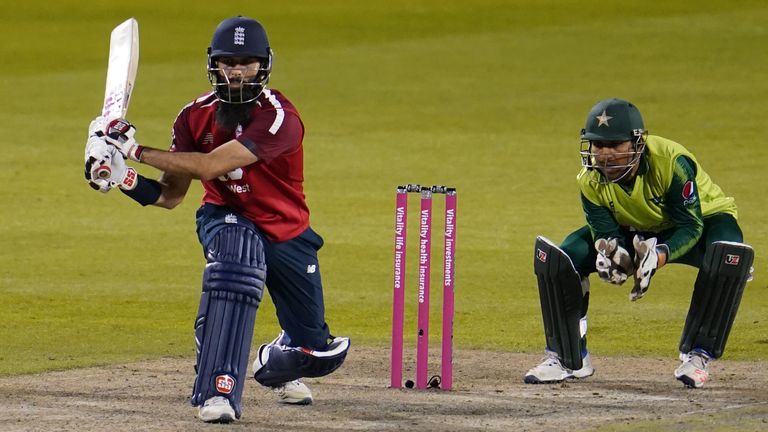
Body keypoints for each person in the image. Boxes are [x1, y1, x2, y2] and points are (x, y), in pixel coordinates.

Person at [83, 16, 350, 423]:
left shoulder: (279, 117)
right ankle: (217, 389)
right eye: (229, 62)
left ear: (264, 65)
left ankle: (274, 360)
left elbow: (210, 166)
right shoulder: (192, 117)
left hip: (286, 232)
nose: (238, 71)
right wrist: (119, 176)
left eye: (248, 62)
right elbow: (170, 196)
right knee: (236, 255)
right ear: (214, 64)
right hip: (225, 217)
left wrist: (133, 150)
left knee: (316, 351)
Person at [524, 98, 753, 389]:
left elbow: (690, 225)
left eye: (615, 145)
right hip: (637, 226)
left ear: (637, 144)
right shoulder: (589, 181)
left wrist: (657, 256)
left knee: (727, 254)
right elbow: (605, 231)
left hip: (702, 221)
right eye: (597, 145)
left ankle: (698, 356)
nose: (604, 155)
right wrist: (616, 254)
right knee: (562, 258)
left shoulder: (670, 163)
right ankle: (568, 359)